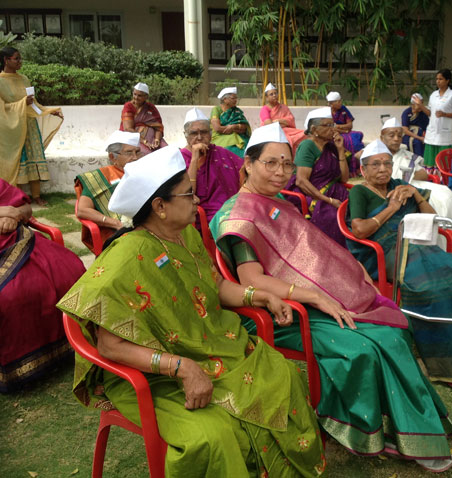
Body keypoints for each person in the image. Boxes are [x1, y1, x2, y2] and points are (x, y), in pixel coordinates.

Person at [57, 146, 325, 477]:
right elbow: (111, 347)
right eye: (188, 194)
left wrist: (260, 297)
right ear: (159, 207)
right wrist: (182, 367)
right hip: (153, 375)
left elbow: (215, 287)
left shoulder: (185, 234)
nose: (197, 201)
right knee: (212, 436)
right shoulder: (124, 259)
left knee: (283, 376)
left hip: (209, 349)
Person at [212, 124, 452, 473]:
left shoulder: (277, 202)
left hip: (319, 302)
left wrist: (349, 270)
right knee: (364, 347)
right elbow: (253, 279)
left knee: (392, 330)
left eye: (287, 164)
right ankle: (373, 431)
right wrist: (313, 296)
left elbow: (311, 253)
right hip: (287, 314)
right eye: (271, 163)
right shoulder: (239, 217)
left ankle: (409, 429)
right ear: (248, 165)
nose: (281, 172)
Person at [348, 139, 452, 386]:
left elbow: (432, 219)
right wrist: (392, 207)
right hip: (386, 252)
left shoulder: (401, 185)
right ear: (363, 170)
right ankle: (448, 364)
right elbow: (360, 230)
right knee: (435, 285)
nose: (383, 169)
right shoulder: (359, 192)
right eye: (375, 165)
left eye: (387, 163)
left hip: (419, 247)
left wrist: (415, 193)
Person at [1, 178, 85, 392]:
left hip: (20, 241)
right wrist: (4, 213)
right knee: (10, 295)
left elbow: (26, 208)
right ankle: (18, 369)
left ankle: (75, 343)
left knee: (70, 269)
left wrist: (14, 213)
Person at [380, 116, 452, 246]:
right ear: (382, 137)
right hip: (397, 189)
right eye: (391, 135)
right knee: (437, 204)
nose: (396, 139)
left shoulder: (406, 154)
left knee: (447, 196)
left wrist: (411, 172)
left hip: (416, 184)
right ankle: (440, 244)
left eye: (399, 135)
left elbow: (424, 175)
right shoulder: (376, 155)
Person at [0, 46, 63, 205]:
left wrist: (48, 112)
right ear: (6, 60)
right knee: (18, 160)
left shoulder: (24, 79)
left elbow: (33, 103)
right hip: (13, 128)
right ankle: (18, 197)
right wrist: (22, 103)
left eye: (20, 58)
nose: (20, 61)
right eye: (16, 58)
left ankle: (36, 196)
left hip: (30, 124)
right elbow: (2, 108)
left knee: (35, 157)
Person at [285, 107, 350, 247]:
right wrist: (330, 201)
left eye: (333, 125)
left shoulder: (332, 147)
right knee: (333, 216)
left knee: (357, 209)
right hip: (311, 194)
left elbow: (344, 179)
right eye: (327, 125)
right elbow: (301, 181)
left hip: (335, 192)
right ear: (314, 130)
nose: (333, 129)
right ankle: (333, 253)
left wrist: (340, 150)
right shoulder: (308, 146)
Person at [75, 130, 141, 251]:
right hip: (118, 232)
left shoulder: (144, 172)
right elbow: (83, 210)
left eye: (137, 152)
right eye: (129, 153)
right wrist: (115, 223)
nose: (135, 157)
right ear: (112, 157)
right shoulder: (99, 177)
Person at [180, 108, 243, 226]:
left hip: (230, 210)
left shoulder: (221, 153)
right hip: (200, 216)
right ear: (186, 135)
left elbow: (246, 170)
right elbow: (187, 194)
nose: (199, 137)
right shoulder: (179, 159)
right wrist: (194, 159)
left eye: (203, 132)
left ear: (210, 133)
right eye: (194, 133)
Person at [415, 69, 452, 174]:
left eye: (441, 79)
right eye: (437, 79)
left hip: (444, 132)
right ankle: (430, 179)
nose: (438, 81)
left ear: (447, 80)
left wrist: (444, 114)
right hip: (432, 132)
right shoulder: (433, 95)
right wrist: (420, 105)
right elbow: (430, 113)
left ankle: (442, 179)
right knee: (429, 159)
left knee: (442, 160)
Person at [120, 82, 168, 156]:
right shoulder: (128, 106)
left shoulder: (151, 107)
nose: (136, 97)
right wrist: (144, 141)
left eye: (139, 95)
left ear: (146, 97)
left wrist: (157, 139)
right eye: (134, 94)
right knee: (145, 154)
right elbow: (128, 129)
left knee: (167, 151)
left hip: (153, 138)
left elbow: (158, 127)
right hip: (135, 138)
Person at [260, 83, 306, 153]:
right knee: (288, 139)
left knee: (305, 134)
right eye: (271, 94)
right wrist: (282, 122)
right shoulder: (265, 109)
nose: (274, 95)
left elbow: (291, 120)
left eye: (276, 93)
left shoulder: (283, 107)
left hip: (288, 131)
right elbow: (269, 125)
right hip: (273, 133)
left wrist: (277, 121)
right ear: (266, 97)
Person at [326, 91, 364, 175]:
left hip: (345, 133)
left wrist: (339, 127)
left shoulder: (343, 109)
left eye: (340, 101)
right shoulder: (326, 112)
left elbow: (350, 125)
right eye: (338, 102)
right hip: (332, 134)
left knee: (352, 140)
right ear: (331, 104)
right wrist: (338, 129)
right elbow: (328, 127)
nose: (340, 103)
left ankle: (354, 168)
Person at [210, 86, 251, 157]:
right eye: (233, 98)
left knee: (249, 148)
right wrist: (231, 129)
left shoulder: (237, 111)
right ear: (225, 99)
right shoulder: (216, 109)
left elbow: (244, 127)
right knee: (231, 149)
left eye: (236, 98)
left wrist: (233, 127)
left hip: (237, 135)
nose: (235, 100)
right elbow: (217, 128)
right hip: (220, 136)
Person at [401, 93, 429, 157]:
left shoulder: (423, 113)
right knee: (417, 142)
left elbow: (427, 127)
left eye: (422, 103)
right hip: (410, 136)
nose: (421, 106)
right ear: (413, 105)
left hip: (421, 135)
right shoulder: (407, 113)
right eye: (419, 104)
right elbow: (405, 130)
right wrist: (419, 138)